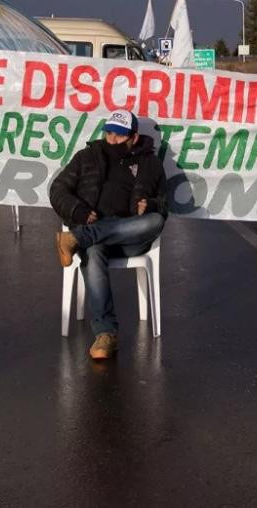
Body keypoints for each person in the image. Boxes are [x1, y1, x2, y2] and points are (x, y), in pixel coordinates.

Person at [49, 109, 167, 360]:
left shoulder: (150, 163)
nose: (112, 139)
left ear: (133, 137)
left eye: (119, 135)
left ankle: (79, 238)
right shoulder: (87, 156)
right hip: (96, 232)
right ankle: (105, 334)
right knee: (93, 250)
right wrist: (79, 210)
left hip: (129, 235)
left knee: (154, 221)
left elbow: (164, 203)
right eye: (109, 132)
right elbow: (58, 189)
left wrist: (152, 205)